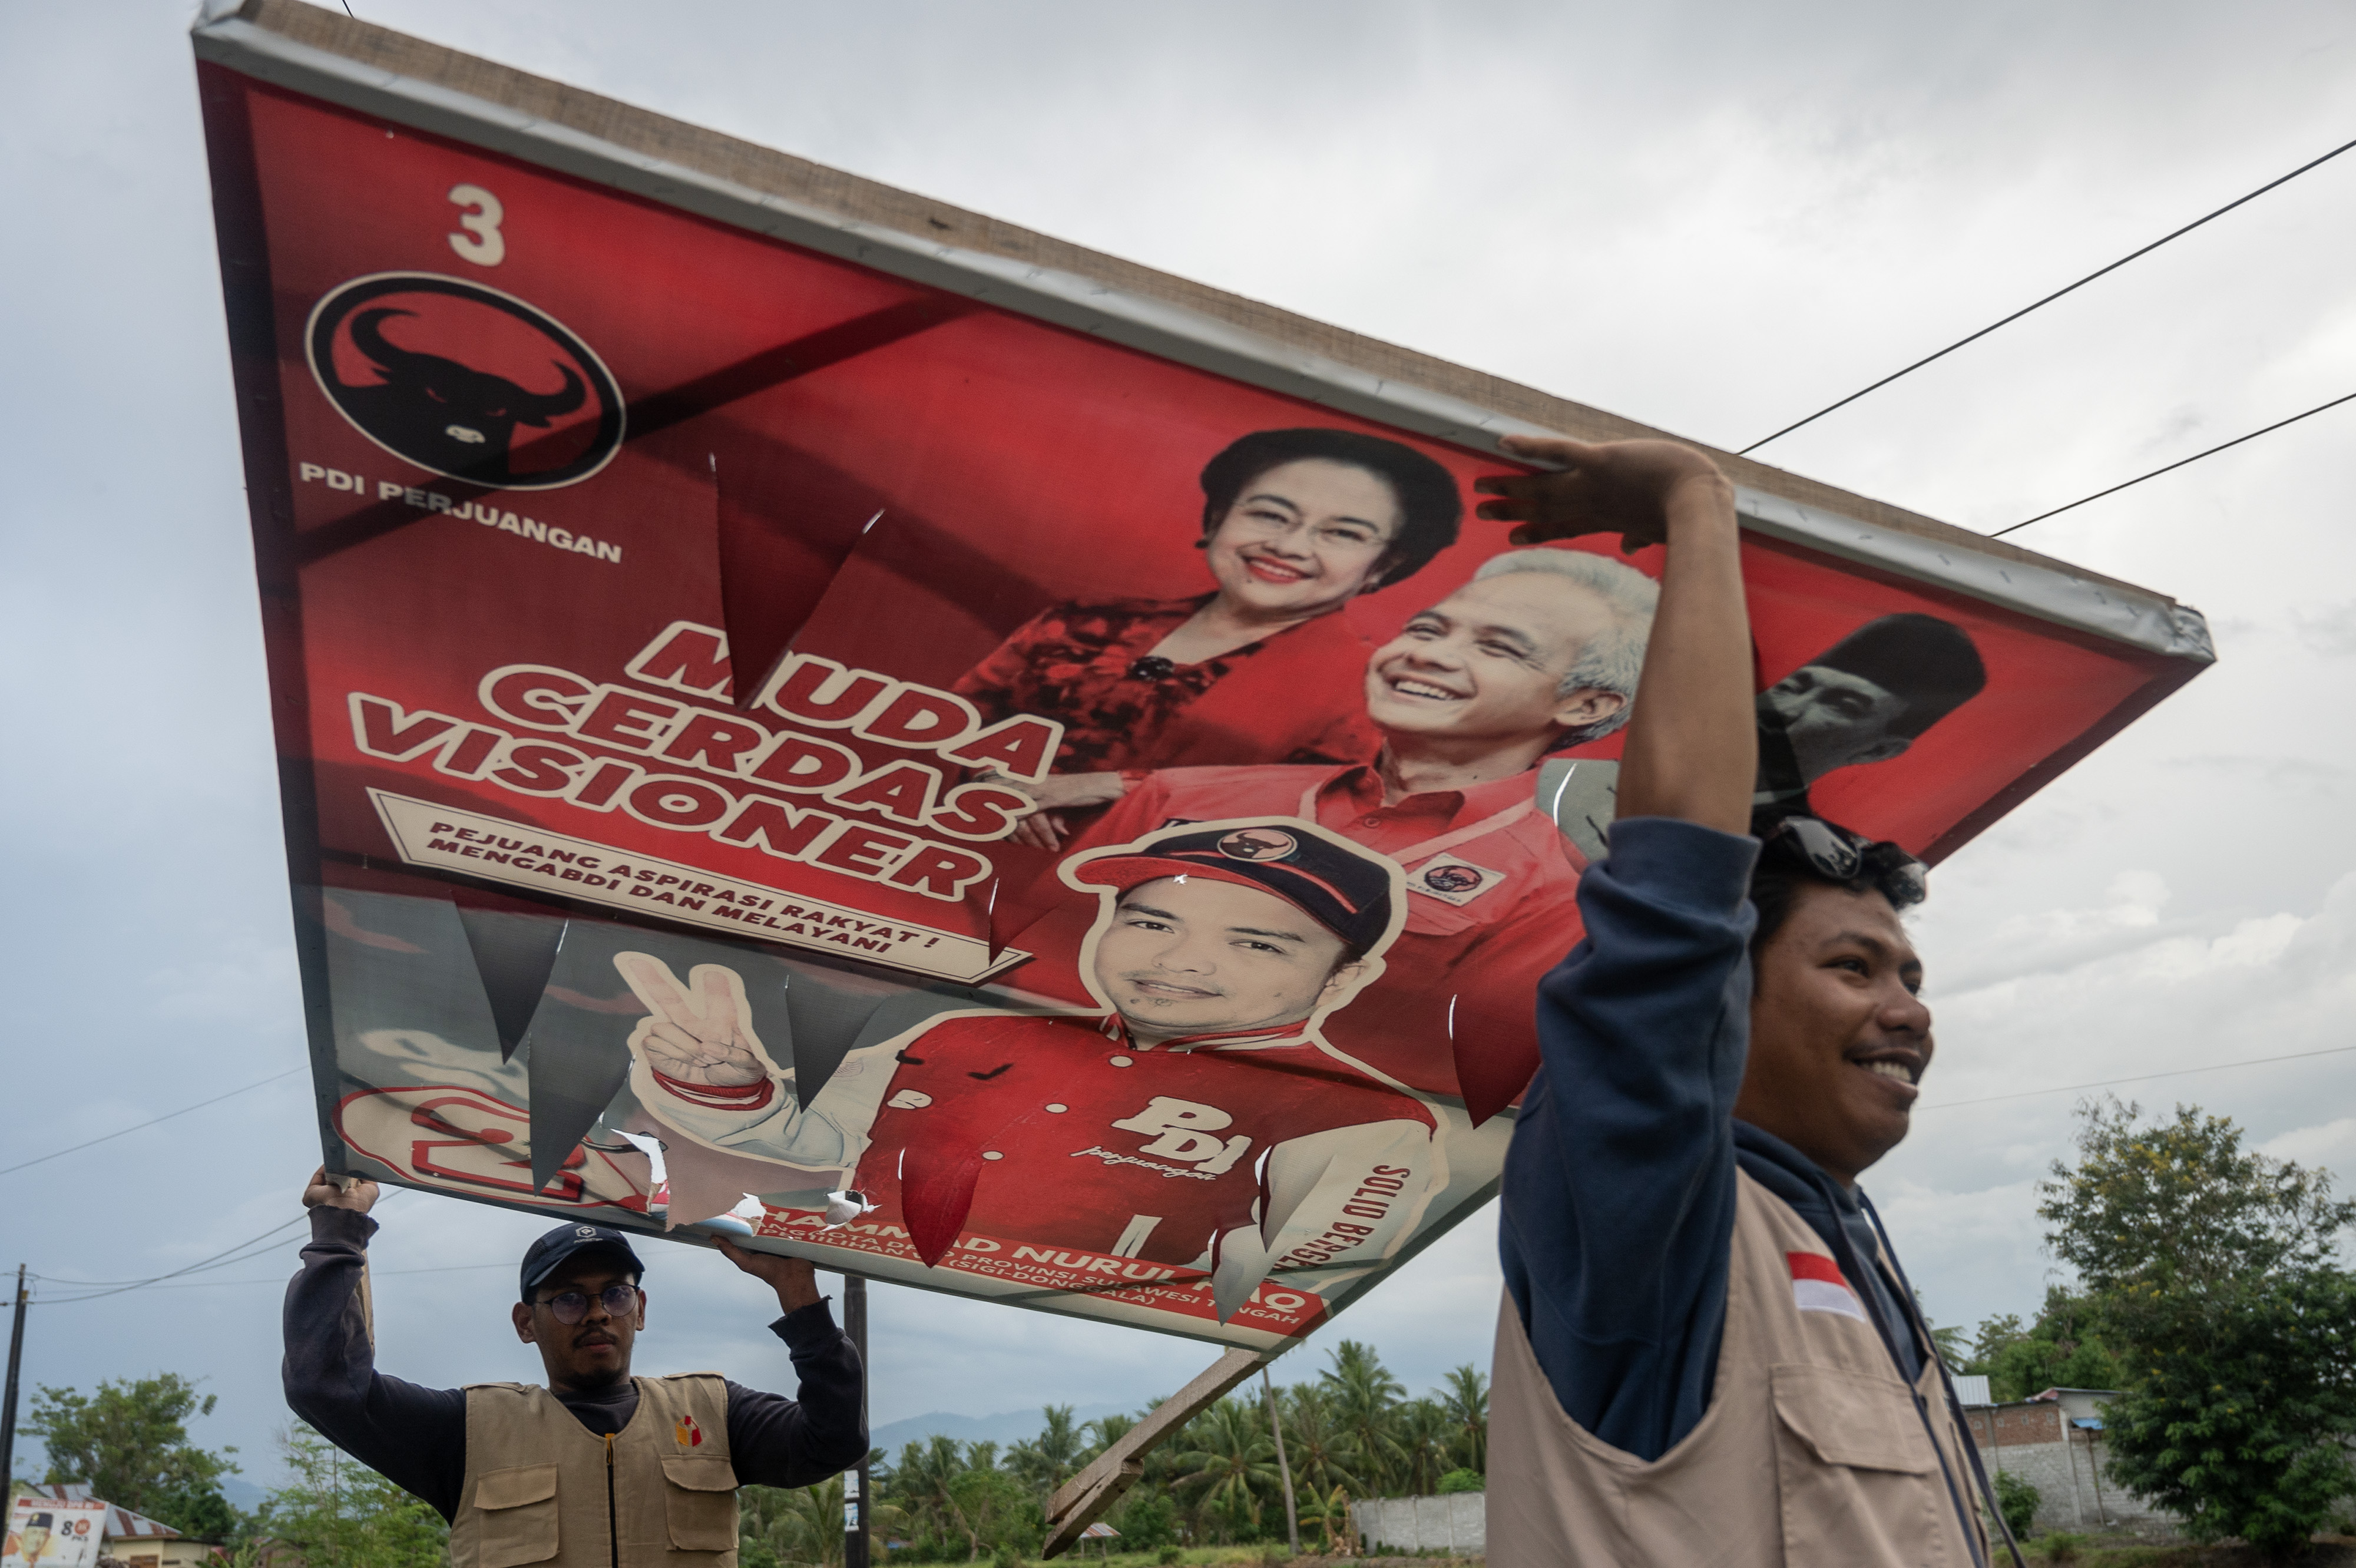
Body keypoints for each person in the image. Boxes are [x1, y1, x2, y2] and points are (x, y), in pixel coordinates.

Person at [1479, 436, 2013, 1566]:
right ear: (1723, 996)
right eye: (1855, 968)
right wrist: (1697, 508)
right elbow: (1674, 896)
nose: (1911, 1011)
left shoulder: (1847, 1247)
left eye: (1912, 976)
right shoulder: (1652, 1225)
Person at [620, 819, 1441, 1321]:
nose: (1181, 959)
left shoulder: (1365, 1120)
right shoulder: (970, 1029)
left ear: (1346, 977)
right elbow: (811, 1134)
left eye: (1255, 942)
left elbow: (1287, 1290)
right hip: (863, 1316)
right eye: (1151, 920)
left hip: (1072, 1364)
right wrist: (727, 1085)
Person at [987, 545, 1656, 1124]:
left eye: (1496, 647)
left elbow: (1448, 1081)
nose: (1426, 654)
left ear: (1585, 704)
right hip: (1028, 1101)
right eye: (1427, 627)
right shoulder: (1183, 795)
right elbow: (1030, 973)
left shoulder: (1561, 892)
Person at [283, 1170, 868, 1563]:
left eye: (614, 1293)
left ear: (639, 1310)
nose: (595, 1313)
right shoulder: (467, 1431)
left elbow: (834, 1440)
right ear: (525, 1322)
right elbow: (325, 1385)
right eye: (567, 1298)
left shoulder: (715, 1415)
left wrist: (798, 1291)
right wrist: (340, 1233)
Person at [955, 427, 1462, 843]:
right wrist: (994, 784)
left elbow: (1320, 814)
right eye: (1269, 514)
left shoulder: (1376, 691)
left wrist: (1110, 786)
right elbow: (950, 726)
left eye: (1343, 533)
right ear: (1218, 517)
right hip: (951, 858)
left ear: (1383, 565)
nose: (1288, 546)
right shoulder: (1086, 621)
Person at [1756, 611, 1987, 818]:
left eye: (1843, 706)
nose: (1784, 711)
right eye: (1789, 688)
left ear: (1877, 750)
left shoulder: (1793, 858)